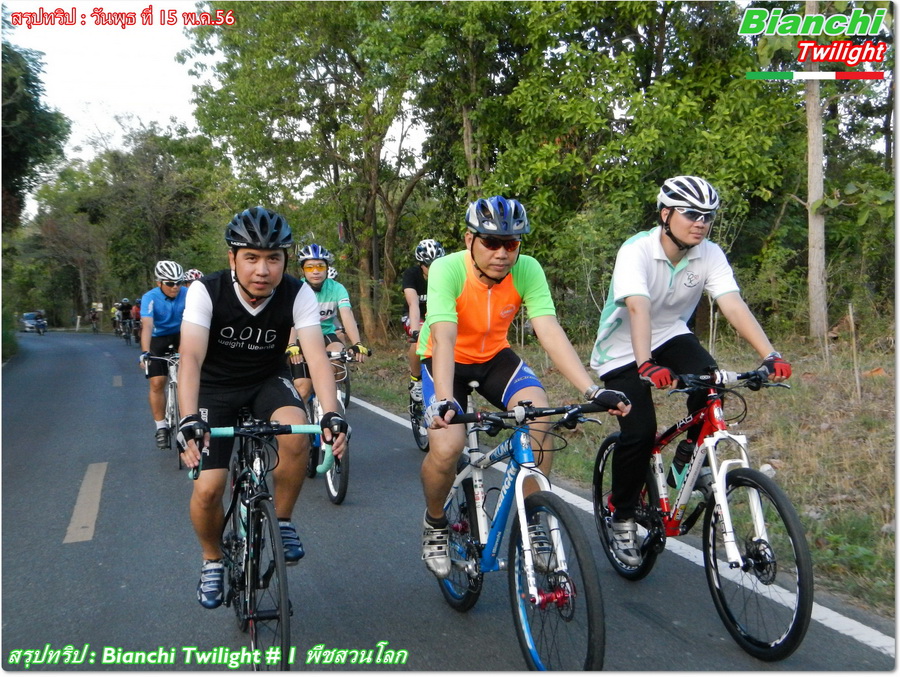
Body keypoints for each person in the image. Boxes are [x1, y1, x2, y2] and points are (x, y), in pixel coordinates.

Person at [418, 195, 631, 578]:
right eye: (491, 242)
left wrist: (592, 390)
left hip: (494, 357)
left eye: (511, 243)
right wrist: (445, 401)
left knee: (539, 418)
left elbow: (548, 329)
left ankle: (536, 522)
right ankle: (435, 522)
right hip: (445, 360)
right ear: (469, 239)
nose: (502, 253)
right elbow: (444, 337)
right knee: (447, 446)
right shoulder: (446, 269)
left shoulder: (527, 269)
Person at [589, 175, 792, 566]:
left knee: (711, 384)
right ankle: (622, 515)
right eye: (691, 214)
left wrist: (770, 354)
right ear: (666, 214)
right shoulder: (637, 250)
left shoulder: (709, 253)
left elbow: (732, 303)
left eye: (708, 216)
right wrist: (645, 363)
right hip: (622, 350)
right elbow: (638, 307)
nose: (701, 223)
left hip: (670, 335)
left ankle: (687, 461)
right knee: (640, 430)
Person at [177, 207, 348, 609]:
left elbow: (316, 356)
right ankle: (212, 559)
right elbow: (191, 357)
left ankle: (283, 520)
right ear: (232, 257)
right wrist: (187, 418)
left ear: (284, 261)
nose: (262, 269)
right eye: (251, 257)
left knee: (296, 433)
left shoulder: (297, 293)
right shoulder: (206, 291)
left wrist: (331, 412)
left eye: (273, 258)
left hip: (266, 382)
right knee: (209, 488)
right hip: (214, 390)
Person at [288, 244, 369, 401]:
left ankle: (327, 403)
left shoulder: (337, 288)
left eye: (320, 266)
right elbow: (291, 321)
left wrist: (357, 343)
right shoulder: (296, 289)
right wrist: (291, 345)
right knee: (303, 390)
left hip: (326, 334)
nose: (316, 271)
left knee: (337, 361)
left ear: (327, 268)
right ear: (303, 270)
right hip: (301, 338)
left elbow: (346, 315)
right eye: (310, 267)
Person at [139, 260, 188, 449]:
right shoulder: (150, 297)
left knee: (192, 374)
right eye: (170, 283)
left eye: (179, 282)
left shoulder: (188, 293)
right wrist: (145, 352)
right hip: (157, 338)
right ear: (159, 283)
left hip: (182, 335)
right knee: (157, 382)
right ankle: (161, 427)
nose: (175, 287)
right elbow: (147, 325)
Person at [401, 239, 445, 404]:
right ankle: (416, 380)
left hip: (437, 314)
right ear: (421, 265)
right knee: (419, 341)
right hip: (414, 316)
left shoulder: (446, 274)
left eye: (437, 264)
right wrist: (415, 331)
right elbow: (413, 303)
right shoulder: (411, 275)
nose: (433, 268)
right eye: (428, 265)